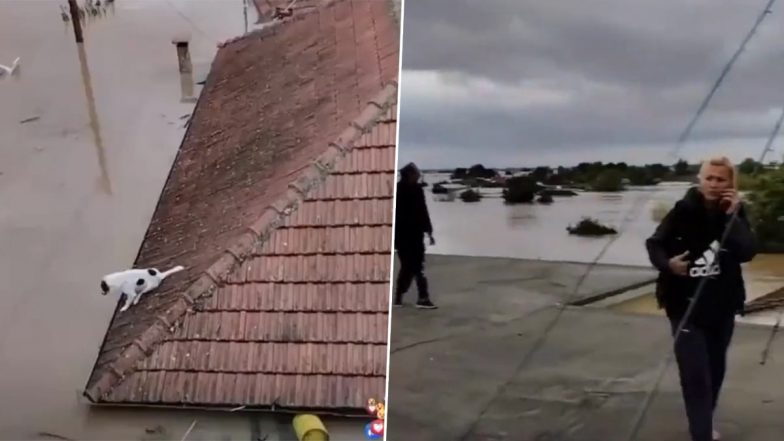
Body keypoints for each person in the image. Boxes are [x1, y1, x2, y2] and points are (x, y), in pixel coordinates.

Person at [645, 156, 757, 441]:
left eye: (721, 179)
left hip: (722, 307)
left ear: (730, 184)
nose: (714, 184)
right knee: (696, 376)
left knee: (715, 369)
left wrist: (732, 216)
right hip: (684, 306)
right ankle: (701, 433)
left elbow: (746, 251)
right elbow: (654, 243)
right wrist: (669, 264)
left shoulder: (734, 212)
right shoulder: (682, 211)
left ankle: (704, 422)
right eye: (709, 178)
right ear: (700, 179)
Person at [393, 162, 437, 309]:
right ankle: (402, 297)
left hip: (416, 235)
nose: (418, 175)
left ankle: (420, 297)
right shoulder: (398, 191)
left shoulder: (418, 190)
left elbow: (423, 211)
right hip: (402, 236)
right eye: (416, 172)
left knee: (416, 267)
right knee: (409, 267)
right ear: (410, 174)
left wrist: (429, 231)